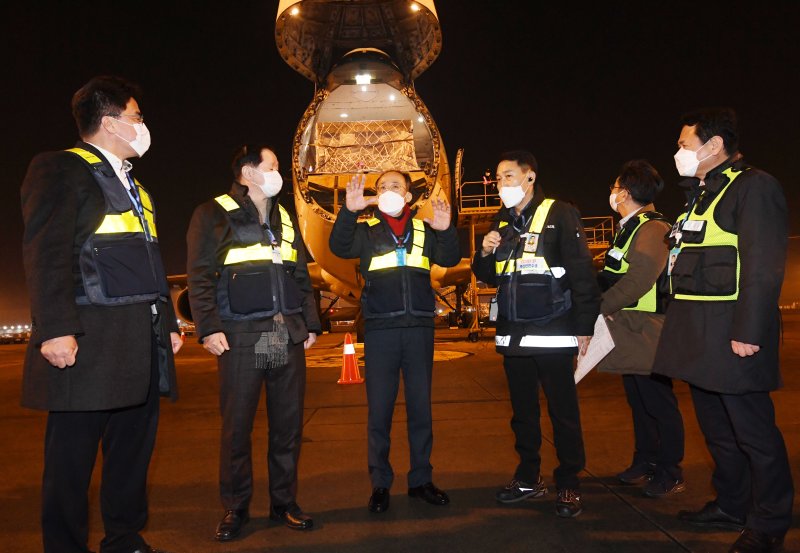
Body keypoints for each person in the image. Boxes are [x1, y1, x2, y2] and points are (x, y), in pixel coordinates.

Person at [20, 76, 182, 553]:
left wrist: (168, 323)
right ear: (110, 123)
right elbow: (46, 252)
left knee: (131, 454)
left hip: (139, 344)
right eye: (136, 116)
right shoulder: (60, 169)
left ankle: (124, 537)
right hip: (88, 344)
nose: (143, 125)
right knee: (71, 462)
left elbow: (149, 262)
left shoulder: (135, 186)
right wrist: (54, 330)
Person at [654, 108, 793, 553]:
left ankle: (769, 521)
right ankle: (732, 502)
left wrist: (749, 331)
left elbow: (763, 267)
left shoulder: (754, 187)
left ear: (713, 146)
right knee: (717, 430)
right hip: (698, 338)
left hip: (733, 336)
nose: (678, 152)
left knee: (754, 433)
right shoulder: (702, 194)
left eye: (684, 144)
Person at [186, 144, 321, 538]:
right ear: (249, 171)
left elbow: (299, 273)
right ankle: (236, 507)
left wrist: (310, 323)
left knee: (286, 425)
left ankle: (284, 502)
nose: (279, 172)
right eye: (273, 165)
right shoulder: (212, 212)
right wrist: (208, 327)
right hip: (242, 335)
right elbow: (198, 276)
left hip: (282, 334)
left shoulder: (282, 217)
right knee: (238, 426)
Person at [471, 150, 600, 518]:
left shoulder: (559, 213)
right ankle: (529, 477)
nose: (501, 185)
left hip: (553, 333)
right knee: (523, 414)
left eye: (508, 176)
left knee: (563, 413)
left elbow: (581, 271)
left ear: (529, 177)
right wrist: (483, 250)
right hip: (513, 336)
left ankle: (569, 483)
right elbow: (489, 276)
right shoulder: (501, 222)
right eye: (498, 178)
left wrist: (584, 326)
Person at [329, 170, 460, 514]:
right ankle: (380, 484)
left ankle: (421, 480)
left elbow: (448, 258)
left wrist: (446, 231)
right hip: (380, 330)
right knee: (380, 413)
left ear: (409, 195)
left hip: (418, 328)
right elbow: (338, 246)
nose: (389, 190)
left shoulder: (424, 230)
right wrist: (349, 211)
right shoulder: (366, 231)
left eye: (396, 186)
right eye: (383, 186)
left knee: (421, 410)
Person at [596, 160, 685, 497]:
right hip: (631, 330)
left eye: (615, 187)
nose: (612, 193)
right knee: (639, 401)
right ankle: (645, 460)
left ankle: (670, 470)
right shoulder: (630, 227)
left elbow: (637, 281)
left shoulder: (652, 228)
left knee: (659, 403)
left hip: (650, 331)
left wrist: (598, 307)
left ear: (628, 192)